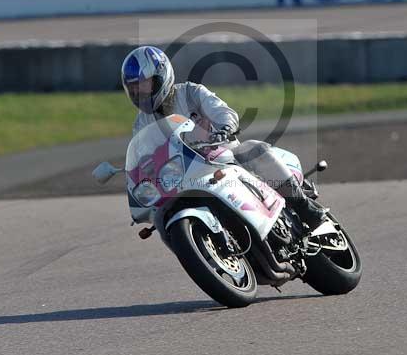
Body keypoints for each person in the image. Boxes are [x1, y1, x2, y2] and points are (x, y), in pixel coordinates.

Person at [120, 45, 326, 228]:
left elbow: (222, 111)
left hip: (223, 155)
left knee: (254, 149)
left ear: (160, 78)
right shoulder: (141, 124)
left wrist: (225, 127)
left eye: (143, 84)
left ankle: (305, 208)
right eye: (133, 87)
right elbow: (145, 155)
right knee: (164, 214)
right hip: (187, 175)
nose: (139, 92)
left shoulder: (190, 93)